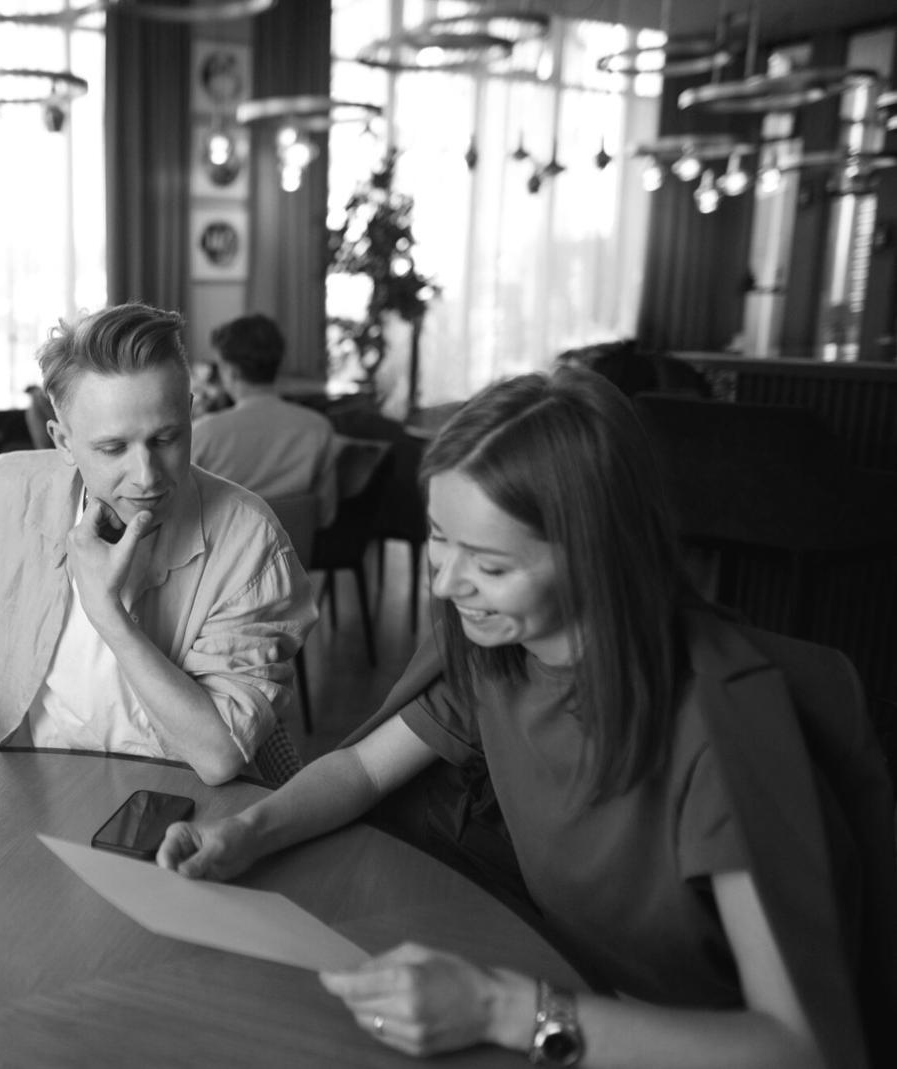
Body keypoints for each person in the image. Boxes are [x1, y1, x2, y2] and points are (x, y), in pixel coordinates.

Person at [158, 368, 895, 1068]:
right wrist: (246, 833)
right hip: (563, 979)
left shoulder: (725, 730)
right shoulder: (497, 654)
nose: (446, 584)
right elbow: (362, 770)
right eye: (439, 538)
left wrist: (502, 1009)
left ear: (597, 557)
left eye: (491, 564)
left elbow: (804, 1048)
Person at [0, 302, 317, 786]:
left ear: (190, 413)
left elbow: (217, 757)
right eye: (113, 448)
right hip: (32, 782)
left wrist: (106, 611)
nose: (147, 477)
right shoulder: (0, 492)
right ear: (62, 441)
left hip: (178, 796)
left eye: (166, 439)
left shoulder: (251, 543)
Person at [191, 313, 339, 528]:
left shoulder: (204, 433)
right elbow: (326, 515)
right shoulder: (318, 428)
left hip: (224, 548)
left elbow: (183, 515)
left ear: (231, 371)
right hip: (296, 547)